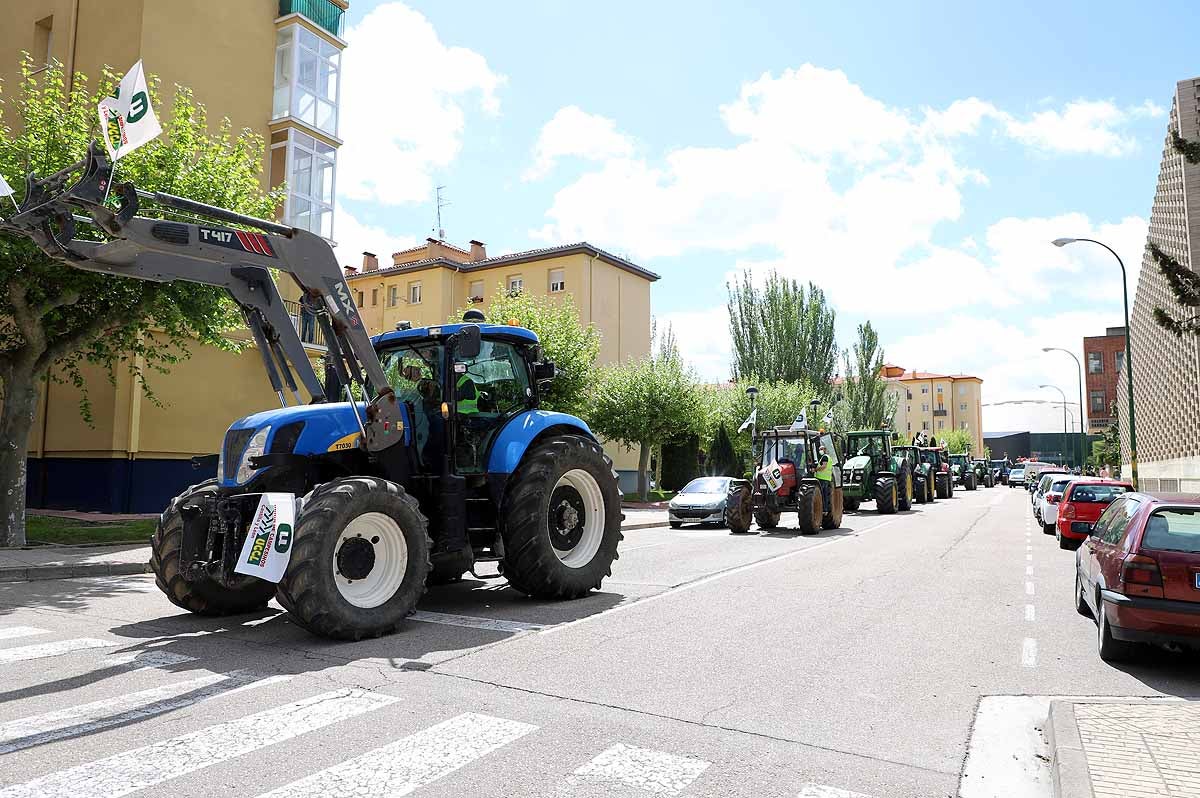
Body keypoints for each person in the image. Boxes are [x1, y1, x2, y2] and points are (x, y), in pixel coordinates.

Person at [814, 444, 834, 514]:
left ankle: (823, 509)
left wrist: (815, 469)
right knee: (824, 495)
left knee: (822, 495)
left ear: (824, 450)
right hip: (826, 478)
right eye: (820, 449)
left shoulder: (825, 457)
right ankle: (825, 510)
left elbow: (823, 466)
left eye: (821, 449)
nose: (820, 451)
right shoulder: (828, 457)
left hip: (822, 478)